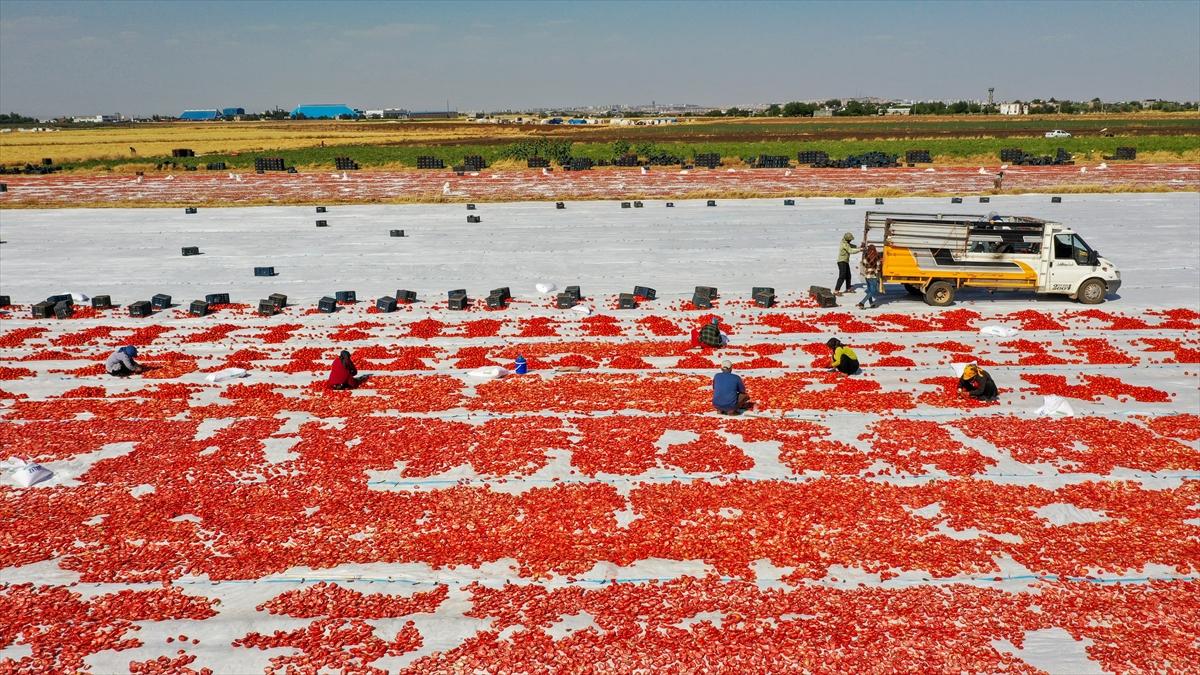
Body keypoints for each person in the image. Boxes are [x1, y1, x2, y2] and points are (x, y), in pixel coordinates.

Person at [857, 244, 882, 309]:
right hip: (873, 275)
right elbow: (878, 266)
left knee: (869, 290)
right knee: (873, 290)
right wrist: (877, 271)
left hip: (867, 275)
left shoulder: (866, 255)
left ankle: (871, 303)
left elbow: (864, 264)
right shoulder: (877, 256)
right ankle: (862, 303)